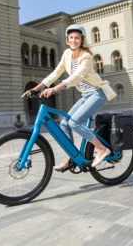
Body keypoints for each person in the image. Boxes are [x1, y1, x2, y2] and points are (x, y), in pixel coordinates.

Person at [21, 24, 117, 170]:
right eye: (71, 37)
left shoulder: (86, 56)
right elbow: (56, 73)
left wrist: (54, 89)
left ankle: (102, 149)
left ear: (82, 40)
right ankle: (72, 157)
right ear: (67, 40)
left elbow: (76, 77)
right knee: (65, 123)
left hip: (97, 94)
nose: (74, 40)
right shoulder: (66, 54)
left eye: (77, 38)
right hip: (85, 95)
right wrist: (35, 89)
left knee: (74, 122)